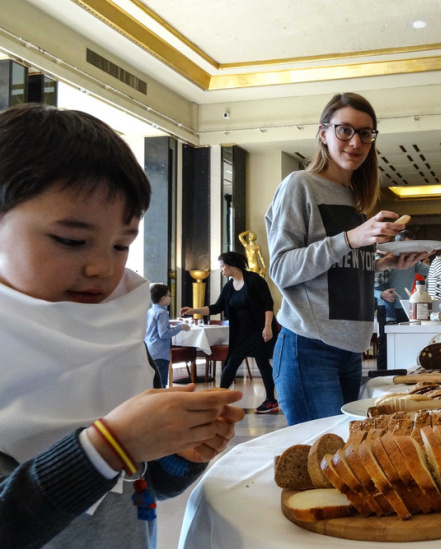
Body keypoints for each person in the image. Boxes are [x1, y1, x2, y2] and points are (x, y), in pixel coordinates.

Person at [0, 103, 244, 548]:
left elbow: (139, 487)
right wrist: (109, 446)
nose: (101, 268)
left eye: (121, 245)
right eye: (71, 240)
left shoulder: (115, 325)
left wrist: (176, 451)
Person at [265, 92, 428, 425]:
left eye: (366, 133)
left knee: (345, 455)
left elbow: (338, 270)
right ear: (323, 133)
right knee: (329, 459)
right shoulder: (300, 185)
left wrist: (383, 263)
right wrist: (351, 238)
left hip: (352, 347)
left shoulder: (357, 198)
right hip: (309, 346)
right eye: (345, 130)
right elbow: (281, 269)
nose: (356, 141)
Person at [180, 251, 279, 414]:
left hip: (258, 331)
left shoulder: (254, 280)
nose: (221, 270)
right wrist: (193, 310)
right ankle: (219, 399)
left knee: (262, 365)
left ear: (230, 265)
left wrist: (268, 327)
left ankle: (270, 400)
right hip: (240, 333)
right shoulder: (228, 287)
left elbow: (268, 305)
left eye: (221, 267)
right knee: (231, 364)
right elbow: (216, 307)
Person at [374, 229, 429, 324]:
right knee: (386, 338)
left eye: (411, 245)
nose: (409, 249)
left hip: (406, 307)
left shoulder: (414, 262)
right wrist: (380, 294)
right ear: (397, 244)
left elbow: (433, 271)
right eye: (406, 245)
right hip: (384, 307)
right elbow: (364, 284)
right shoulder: (384, 261)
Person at [145, 283, 190, 387]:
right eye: (170, 295)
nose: (170, 298)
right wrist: (180, 328)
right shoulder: (162, 313)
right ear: (163, 299)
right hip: (160, 352)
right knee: (161, 383)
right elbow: (164, 334)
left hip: (150, 349)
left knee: (153, 382)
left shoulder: (150, 311)